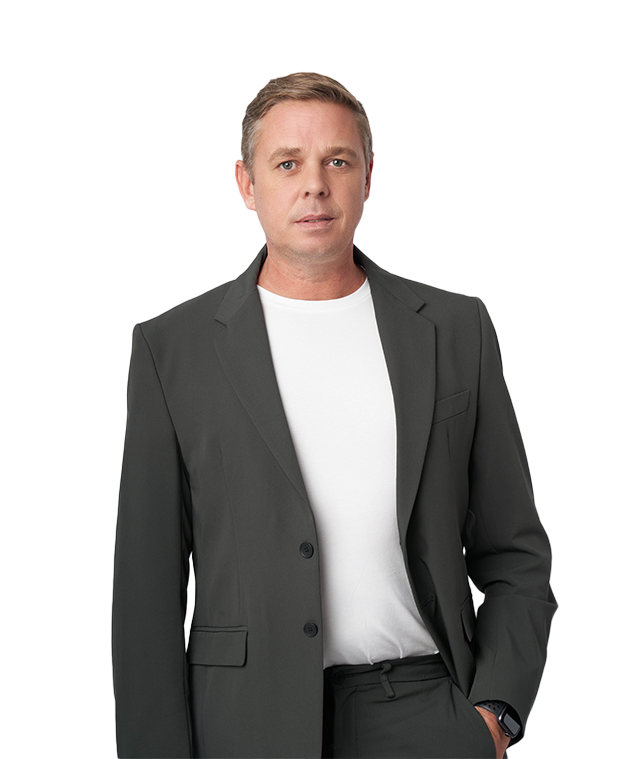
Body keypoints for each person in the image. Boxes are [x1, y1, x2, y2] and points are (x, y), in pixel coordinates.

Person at [112, 72, 558, 759]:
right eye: (287, 163)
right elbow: (147, 597)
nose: (314, 185)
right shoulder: (173, 349)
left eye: (338, 161)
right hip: (243, 723)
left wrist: (494, 713)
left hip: (426, 712)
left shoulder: (454, 330)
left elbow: (517, 553)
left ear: (368, 177)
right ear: (247, 183)